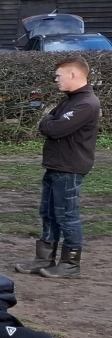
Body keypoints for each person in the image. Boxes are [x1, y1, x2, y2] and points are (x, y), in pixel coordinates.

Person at [14, 55, 100, 280]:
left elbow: (53, 128)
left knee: (67, 215)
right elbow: (49, 122)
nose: (56, 80)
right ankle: (44, 259)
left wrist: (49, 123)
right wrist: (49, 122)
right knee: (49, 214)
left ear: (74, 74)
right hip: (55, 165)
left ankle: (71, 263)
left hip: (70, 168)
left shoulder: (86, 103)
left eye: (59, 76)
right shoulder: (69, 99)